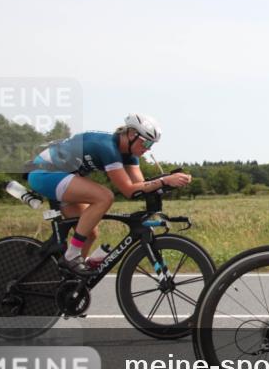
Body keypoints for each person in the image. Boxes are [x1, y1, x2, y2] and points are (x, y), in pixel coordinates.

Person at [26, 113, 192, 273]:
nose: (147, 149)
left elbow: (140, 188)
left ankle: (70, 280)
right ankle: (71, 257)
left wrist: (168, 182)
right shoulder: (108, 148)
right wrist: (164, 181)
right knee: (104, 197)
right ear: (132, 134)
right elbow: (128, 190)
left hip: (62, 176)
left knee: (90, 232)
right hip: (45, 173)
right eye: (146, 143)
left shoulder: (130, 154)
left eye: (151, 145)